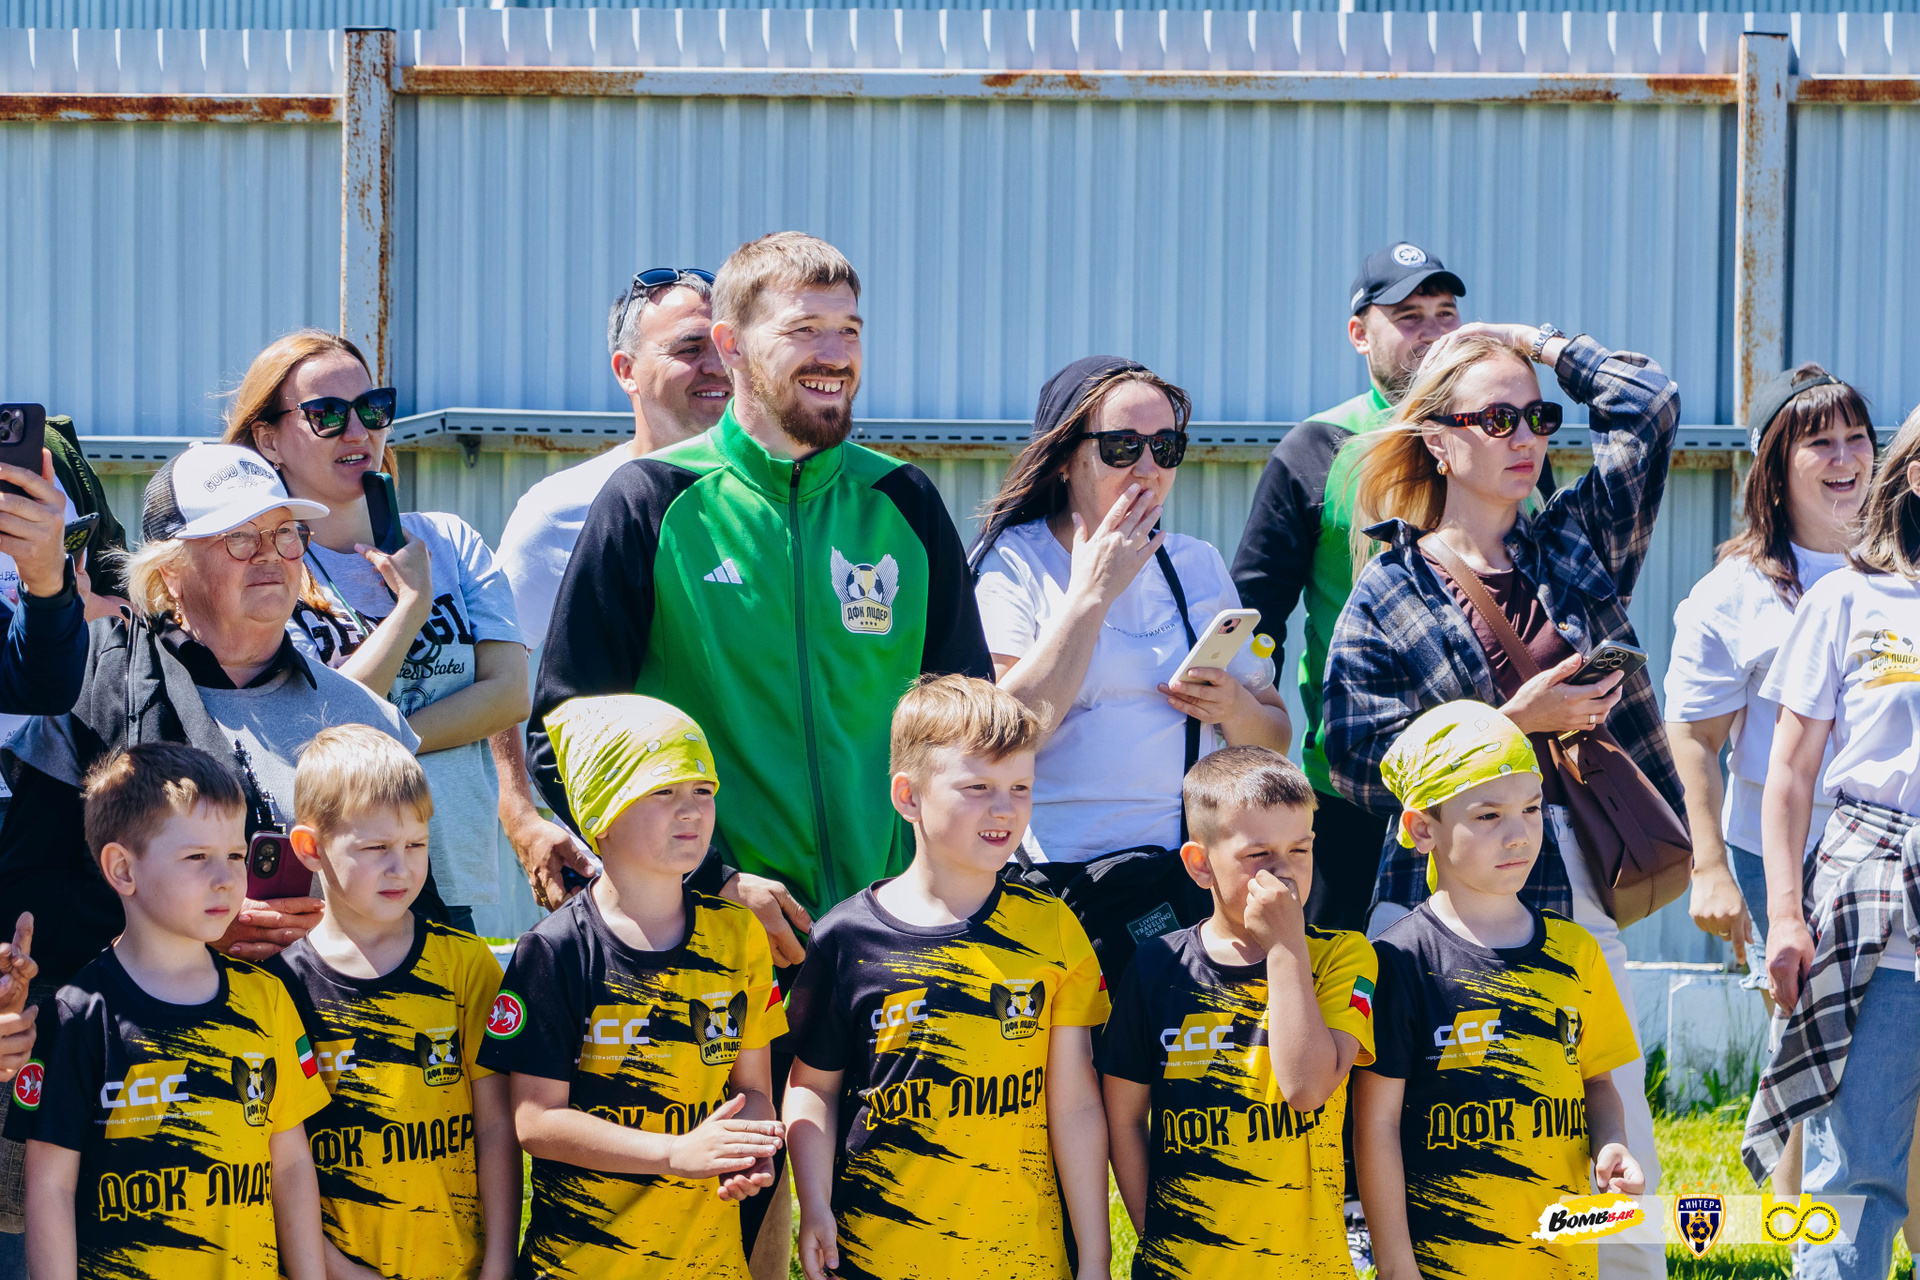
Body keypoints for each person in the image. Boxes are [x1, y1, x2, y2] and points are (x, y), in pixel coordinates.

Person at [527, 232, 991, 1273]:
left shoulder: (904, 502)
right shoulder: (651, 502)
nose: (835, 353)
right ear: (731, 345)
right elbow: (566, 730)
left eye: (850, 329)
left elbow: (967, 723)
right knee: (739, 1242)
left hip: (890, 942)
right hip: (722, 950)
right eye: (805, 329)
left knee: (902, 1234)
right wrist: (717, 878)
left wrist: (938, 892)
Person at [1322, 322, 1677, 1280]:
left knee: (1614, 1141)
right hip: (1435, 908)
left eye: (1537, 417)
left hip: (1574, 879)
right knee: (1447, 1147)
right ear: (1439, 440)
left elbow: (1648, 405)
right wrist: (1509, 723)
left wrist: (1532, 343)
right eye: (1496, 419)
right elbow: (1351, 759)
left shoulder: (1576, 542)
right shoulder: (1388, 587)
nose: (1526, 437)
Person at [0, 442, 418, 991]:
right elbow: (28, 893)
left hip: (329, 1032)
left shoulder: (362, 716)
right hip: (149, 1035)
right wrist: (182, 928)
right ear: (169, 571)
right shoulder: (93, 690)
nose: (270, 555)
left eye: (285, 533)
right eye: (239, 537)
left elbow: (419, 911)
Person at [783, 675, 1111, 1280]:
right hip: (877, 1256)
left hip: (1026, 1259)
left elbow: (1074, 1105)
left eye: (1020, 787)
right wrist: (815, 1205)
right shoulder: (845, 938)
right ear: (908, 796)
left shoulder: (1053, 928)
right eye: (977, 787)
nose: (1004, 808)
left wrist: (1095, 1257)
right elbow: (813, 1088)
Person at [225, 330, 527, 934]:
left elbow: (510, 694)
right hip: (331, 887)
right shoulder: (266, 566)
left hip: (446, 870)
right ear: (268, 439)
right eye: (327, 414)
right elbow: (317, 728)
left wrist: (373, 742)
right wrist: (412, 606)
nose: (358, 431)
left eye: (372, 408)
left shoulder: (449, 540)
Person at [478, 695, 786, 1279]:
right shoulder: (555, 951)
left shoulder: (738, 936)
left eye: (704, 790)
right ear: (600, 815)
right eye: (663, 791)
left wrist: (749, 1147)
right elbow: (537, 1123)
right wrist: (674, 1153)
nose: (691, 811)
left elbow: (753, 1089)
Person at [10, 743, 331, 1280]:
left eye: (235, 855)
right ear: (122, 870)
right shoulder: (76, 1017)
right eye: (197, 857)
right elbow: (49, 1187)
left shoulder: (268, 999)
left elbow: (292, 1164)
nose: (226, 878)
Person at [1232, 243, 1480, 931]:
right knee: (1345, 981)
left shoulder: (1498, 436)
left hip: (1486, 782)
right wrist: (1252, 763)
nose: (1432, 333)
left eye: (1446, 314)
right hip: (1353, 786)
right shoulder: (1318, 448)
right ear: (1359, 334)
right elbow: (1256, 618)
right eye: (1409, 317)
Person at [1354, 702, 1645, 1280]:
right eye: (1488, 815)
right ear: (1422, 829)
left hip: (1563, 1260)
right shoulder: (1398, 961)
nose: (1518, 835)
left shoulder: (1576, 952)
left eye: (1532, 808)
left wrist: (1612, 1143)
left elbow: (1598, 1083)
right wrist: (1395, 1264)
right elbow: (1375, 1126)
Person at [972, 356, 1290, 871]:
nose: (1148, 468)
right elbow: (1000, 740)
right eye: (1121, 446)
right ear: (1063, 458)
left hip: (1180, 874)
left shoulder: (1198, 563)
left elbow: (1275, 738)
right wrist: (1091, 595)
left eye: (1166, 447)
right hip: (1052, 877)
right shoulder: (1014, 561)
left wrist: (1233, 708)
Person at [1742, 406, 1920, 1280]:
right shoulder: (1850, 598)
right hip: (1873, 910)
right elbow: (1788, 775)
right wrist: (1784, 914)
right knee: (1856, 1171)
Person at [492, 266, 728, 914]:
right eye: (689, 348)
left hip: (765, 867)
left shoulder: (785, 509)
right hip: (620, 883)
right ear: (626, 370)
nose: (715, 366)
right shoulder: (559, 511)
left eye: (725, 346)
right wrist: (521, 814)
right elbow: (497, 667)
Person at [1102, 745, 1374, 1278]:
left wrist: (1286, 947)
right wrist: (1159, 1240)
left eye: (1300, 849)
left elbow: (1306, 1089)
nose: (1284, 872)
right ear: (1200, 865)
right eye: (1259, 855)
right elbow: (1124, 1118)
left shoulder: (1344, 956)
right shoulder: (1157, 966)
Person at [266, 726, 518, 1280]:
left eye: (416, 845)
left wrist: (500, 1263)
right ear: (310, 848)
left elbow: (497, 1126)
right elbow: (279, 1165)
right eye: (376, 848)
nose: (401, 867)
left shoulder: (465, 964)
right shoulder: (275, 987)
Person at [1666, 365, 1874, 956]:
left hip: (1895, 843)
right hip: (1781, 854)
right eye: (1820, 442)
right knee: (1799, 1014)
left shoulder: (1903, 570)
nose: (1845, 458)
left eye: (1857, 437)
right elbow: (1695, 736)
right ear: (1775, 465)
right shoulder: (1734, 592)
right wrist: (1709, 865)